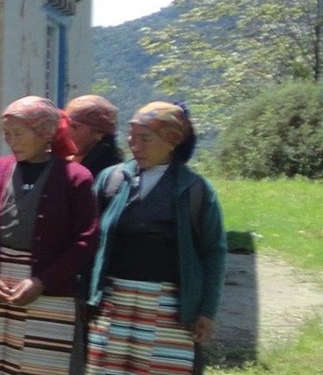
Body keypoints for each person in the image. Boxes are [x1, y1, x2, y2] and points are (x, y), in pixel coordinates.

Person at [0, 96, 97, 375]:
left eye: (18, 133)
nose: (12, 141)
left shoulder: (75, 178)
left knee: (37, 366)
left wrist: (42, 281)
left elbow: (85, 239)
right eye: (8, 134)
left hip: (45, 290)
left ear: (45, 132)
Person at [87, 102, 226, 374]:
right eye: (132, 138)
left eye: (145, 138)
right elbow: (88, 237)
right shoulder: (111, 180)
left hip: (168, 308)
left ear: (171, 141)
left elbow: (214, 252)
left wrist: (207, 311)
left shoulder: (195, 190)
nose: (135, 145)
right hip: (114, 301)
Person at [65, 95, 125, 180]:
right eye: (64, 124)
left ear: (99, 132)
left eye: (75, 127)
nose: (66, 131)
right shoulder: (55, 161)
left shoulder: (108, 174)